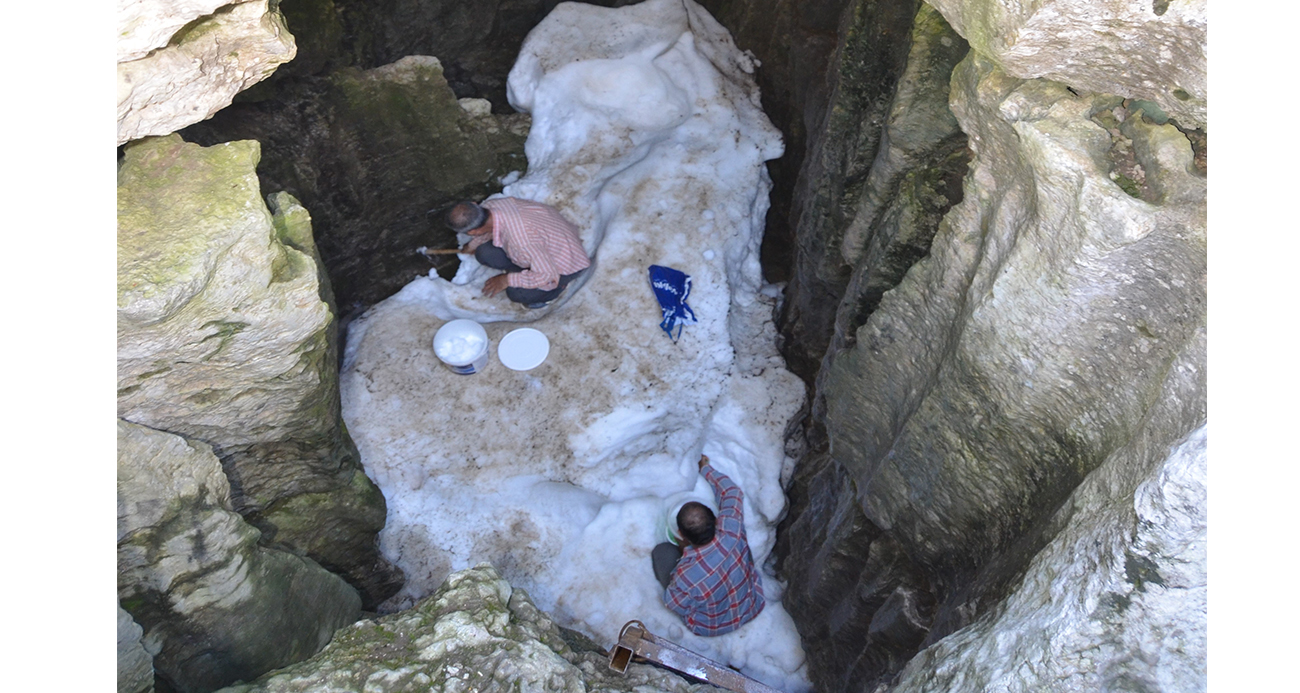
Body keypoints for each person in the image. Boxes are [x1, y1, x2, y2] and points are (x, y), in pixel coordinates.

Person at [652, 454, 765, 636]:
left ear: (681, 534)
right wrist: (705, 468)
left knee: (662, 553)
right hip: (752, 604)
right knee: (739, 545)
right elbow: (732, 493)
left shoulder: (686, 576)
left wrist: (684, 554)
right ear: (715, 519)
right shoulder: (731, 528)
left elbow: (674, 604)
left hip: (710, 626)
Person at [446, 198, 590, 308]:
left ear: (472, 231)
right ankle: (526, 270)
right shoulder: (491, 206)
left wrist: (506, 280)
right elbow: (488, 228)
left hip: (566, 264)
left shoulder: (521, 241)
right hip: (549, 241)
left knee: (517, 293)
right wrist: (472, 245)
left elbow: (547, 275)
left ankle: (555, 289)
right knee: (484, 253)